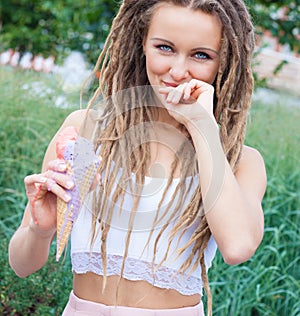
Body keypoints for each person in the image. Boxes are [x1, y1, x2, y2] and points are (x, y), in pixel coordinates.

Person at [8, 0, 267, 315]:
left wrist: (202, 127)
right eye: (165, 48)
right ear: (142, 42)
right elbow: (21, 265)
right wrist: (41, 229)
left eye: (201, 55)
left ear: (224, 62)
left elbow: (238, 247)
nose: (178, 71)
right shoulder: (85, 130)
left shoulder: (240, 162)